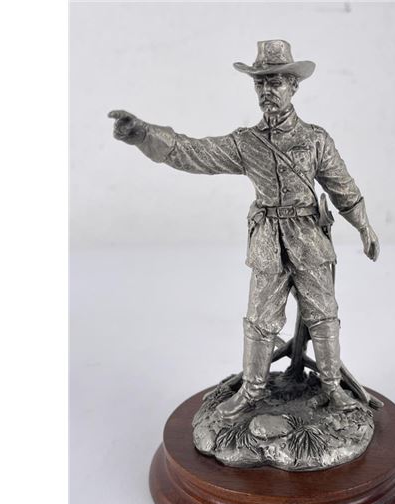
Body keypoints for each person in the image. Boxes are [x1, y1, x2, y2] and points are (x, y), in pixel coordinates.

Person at [109, 40, 379, 419]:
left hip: (309, 239)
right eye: (260, 83)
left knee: (323, 315)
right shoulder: (246, 143)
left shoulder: (315, 139)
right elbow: (192, 152)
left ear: (293, 86)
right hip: (268, 241)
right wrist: (144, 134)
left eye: (275, 82)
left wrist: (364, 227)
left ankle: (332, 388)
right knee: (260, 320)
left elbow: (342, 187)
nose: (267, 90)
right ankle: (252, 390)